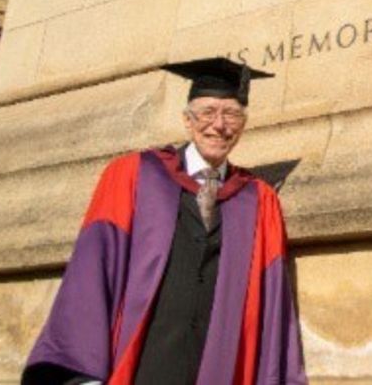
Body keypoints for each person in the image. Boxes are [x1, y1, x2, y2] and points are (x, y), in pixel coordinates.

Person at [21, 58, 307, 385]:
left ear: (242, 125)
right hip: (141, 367)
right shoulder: (133, 175)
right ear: (188, 120)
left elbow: (273, 308)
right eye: (207, 112)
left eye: (231, 114)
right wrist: (85, 375)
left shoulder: (258, 200)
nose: (219, 125)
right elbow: (90, 273)